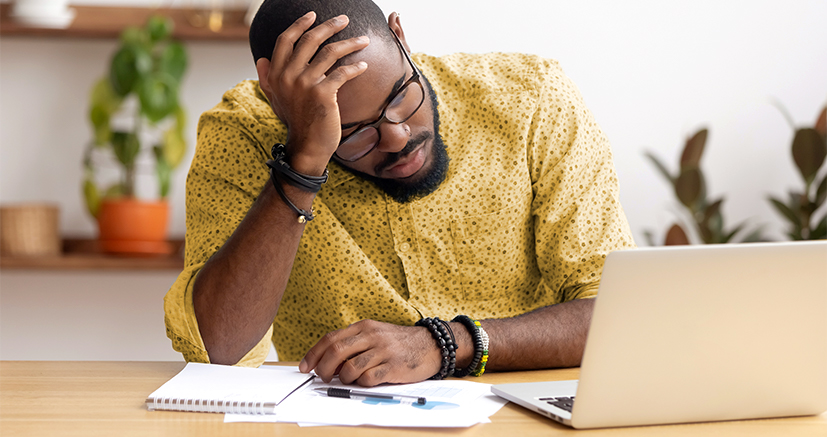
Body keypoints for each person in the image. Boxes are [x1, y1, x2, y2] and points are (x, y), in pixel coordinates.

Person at [164, 0, 635, 387]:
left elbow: (618, 314)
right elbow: (219, 348)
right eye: (351, 133)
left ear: (402, 39)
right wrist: (304, 161)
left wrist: (445, 344)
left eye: (399, 98)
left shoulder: (532, 100)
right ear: (278, 105)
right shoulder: (241, 133)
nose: (396, 138)